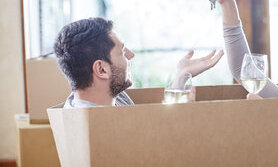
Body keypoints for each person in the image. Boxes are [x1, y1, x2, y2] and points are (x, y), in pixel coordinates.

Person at [54, 17, 224, 107]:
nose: (131, 55)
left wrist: (180, 78)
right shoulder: (96, 130)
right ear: (102, 69)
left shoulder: (111, 98)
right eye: (122, 51)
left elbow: (155, 129)